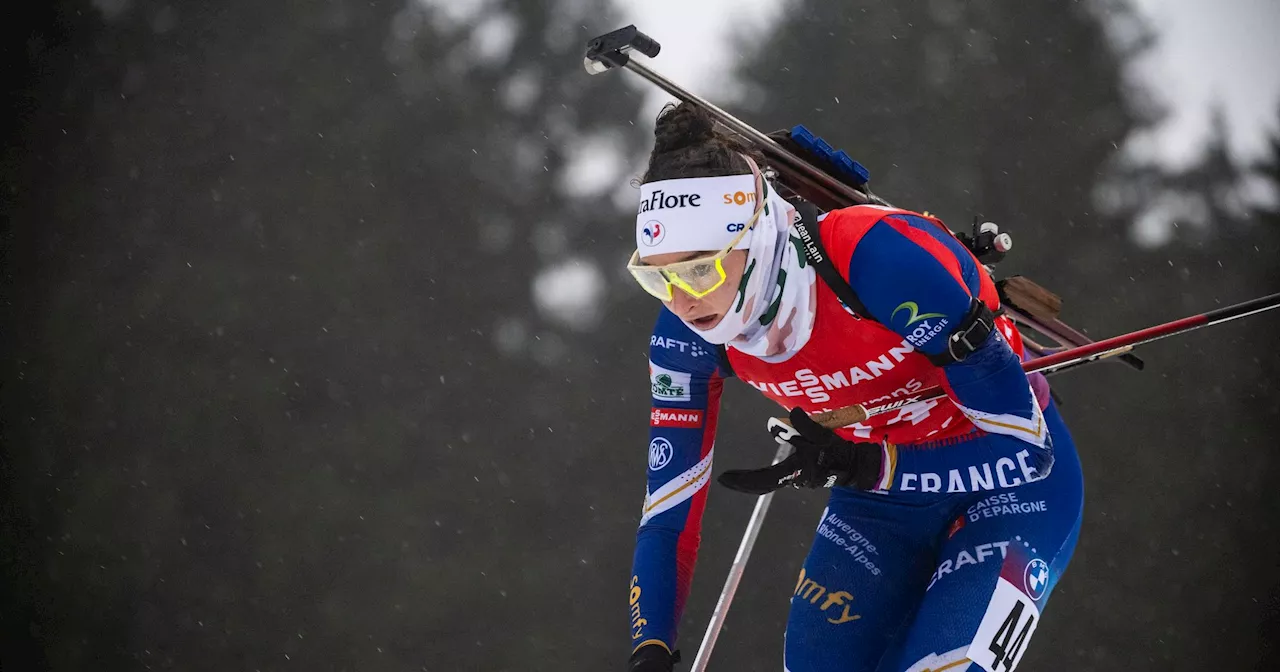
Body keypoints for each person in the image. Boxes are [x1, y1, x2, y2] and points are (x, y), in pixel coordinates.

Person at [625, 103, 1084, 672]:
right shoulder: (685, 338)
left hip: (1010, 490)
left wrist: (869, 466)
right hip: (878, 506)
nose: (682, 297)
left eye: (701, 268)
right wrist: (650, 651)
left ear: (759, 234)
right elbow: (668, 510)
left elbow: (1027, 454)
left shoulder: (879, 259)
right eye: (657, 276)